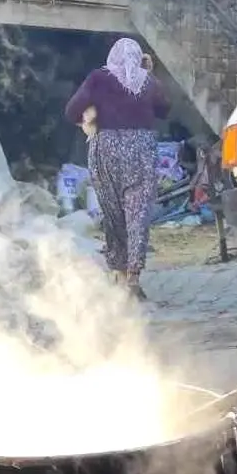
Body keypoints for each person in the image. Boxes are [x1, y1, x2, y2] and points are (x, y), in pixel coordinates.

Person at [65, 39, 169, 300]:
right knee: (138, 214)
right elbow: (165, 110)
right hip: (141, 151)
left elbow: (71, 111)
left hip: (107, 150)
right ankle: (133, 276)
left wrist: (89, 117)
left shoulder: (98, 78)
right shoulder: (149, 82)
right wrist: (150, 73)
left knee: (114, 214)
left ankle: (118, 273)